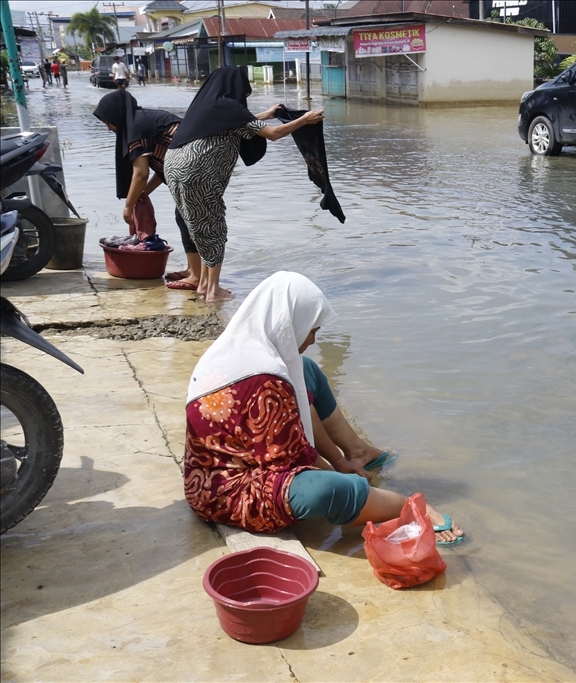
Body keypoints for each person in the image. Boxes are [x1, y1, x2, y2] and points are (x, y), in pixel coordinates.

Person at [183, 272, 464, 544]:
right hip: (228, 492)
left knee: (304, 369)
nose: (313, 340)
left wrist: (339, 463)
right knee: (328, 490)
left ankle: (357, 451)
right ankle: (412, 508)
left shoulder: (239, 350)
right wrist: (339, 477)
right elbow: (289, 462)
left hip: (213, 474)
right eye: (312, 330)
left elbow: (293, 426)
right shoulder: (264, 381)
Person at [164, 66, 324, 302]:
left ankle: (205, 284)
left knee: (198, 225)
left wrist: (265, 114)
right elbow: (274, 134)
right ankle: (212, 291)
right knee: (214, 227)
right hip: (197, 172)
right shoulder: (230, 107)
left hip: (173, 165)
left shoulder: (206, 105)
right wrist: (304, 119)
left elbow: (237, 125)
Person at [93, 90, 202, 287]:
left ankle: (196, 276)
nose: (109, 128)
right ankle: (194, 270)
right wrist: (143, 194)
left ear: (116, 114)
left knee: (187, 219)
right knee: (186, 218)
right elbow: (162, 169)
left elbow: (140, 173)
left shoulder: (136, 127)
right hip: (192, 169)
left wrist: (129, 205)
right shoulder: (142, 119)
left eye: (108, 122)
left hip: (194, 171)